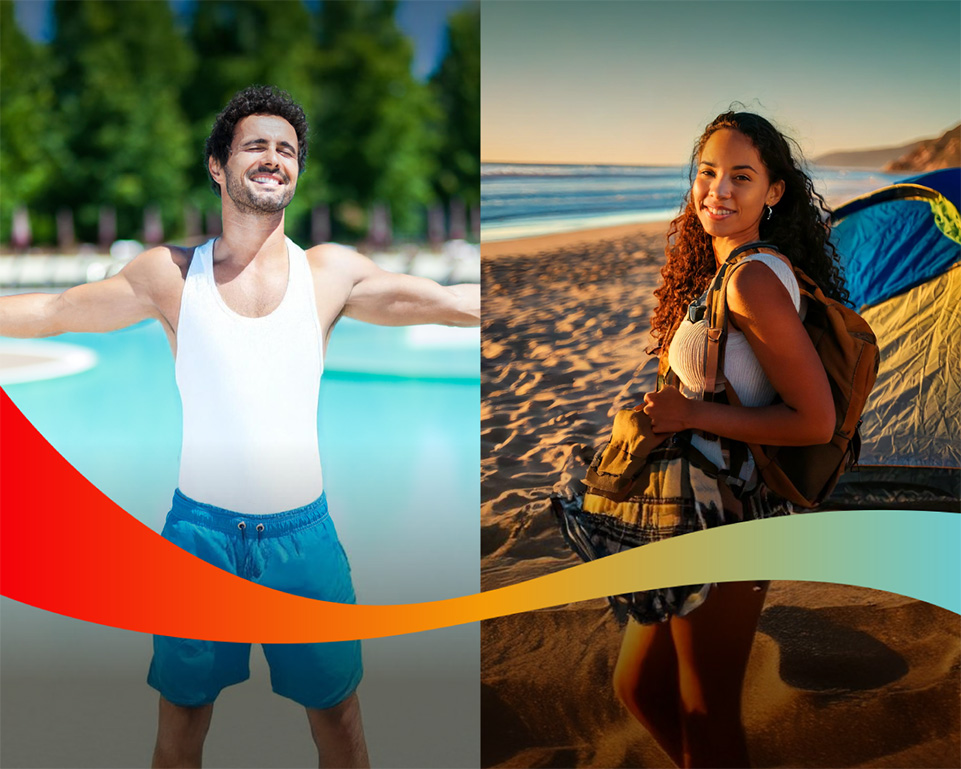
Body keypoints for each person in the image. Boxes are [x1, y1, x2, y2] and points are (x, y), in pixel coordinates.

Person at [0, 85, 479, 769]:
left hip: (304, 541)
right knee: (181, 728)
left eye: (287, 149)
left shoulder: (329, 273)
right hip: (199, 540)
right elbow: (55, 310)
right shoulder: (171, 275)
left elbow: (450, 301)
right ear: (217, 166)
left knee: (340, 723)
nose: (274, 158)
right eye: (256, 145)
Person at [557, 111, 849, 768]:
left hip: (729, 515)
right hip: (687, 512)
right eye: (707, 172)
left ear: (773, 192)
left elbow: (814, 420)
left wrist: (691, 415)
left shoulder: (751, 279)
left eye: (741, 176)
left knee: (706, 712)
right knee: (638, 687)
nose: (718, 190)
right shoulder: (724, 269)